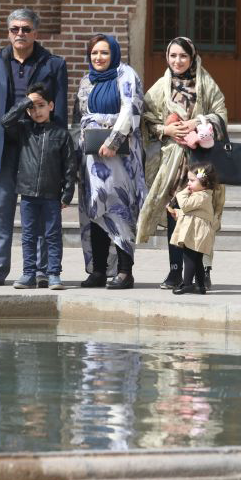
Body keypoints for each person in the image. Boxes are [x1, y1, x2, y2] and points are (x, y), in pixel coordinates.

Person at [0, 8, 69, 286]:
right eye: (14, 29)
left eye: (26, 29)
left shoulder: (53, 64)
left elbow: (60, 111)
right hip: (2, 146)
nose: (20, 33)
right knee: (0, 209)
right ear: (8, 32)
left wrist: (59, 151)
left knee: (39, 212)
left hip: (39, 148)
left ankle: (40, 271)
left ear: (35, 33)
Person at [136, 36, 227, 292]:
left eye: (183, 56)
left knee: (202, 215)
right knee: (176, 212)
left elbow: (221, 115)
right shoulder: (161, 86)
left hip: (201, 162)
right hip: (172, 163)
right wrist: (165, 129)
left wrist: (197, 122)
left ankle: (202, 272)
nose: (177, 61)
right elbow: (146, 119)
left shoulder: (206, 84)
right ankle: (176, 270)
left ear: (192, 57)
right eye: (173, 55)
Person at [73, 34, 146, 290]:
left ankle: (125, 271)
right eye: (94, 53)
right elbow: (78, 117)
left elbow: (131, 109)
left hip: (119, 157)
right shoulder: (87, 80)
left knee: (119, 208)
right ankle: (99, 270)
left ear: (114, 53)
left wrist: (113, 141)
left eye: (104, 52)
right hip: (92, 159)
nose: (99, 57)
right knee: (95, 210)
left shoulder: (125, 75)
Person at [1, 83, 77, 291]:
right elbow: (5, 121)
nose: (37, 111)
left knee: (52, 235)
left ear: (51, 106)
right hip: (27, 193)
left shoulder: (61, 134)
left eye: (41, 105)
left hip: (52, 194)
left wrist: (67, 193)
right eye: (32, 108)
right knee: (28, 236)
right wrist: (26, 101)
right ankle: (29, 273)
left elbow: (70, 166)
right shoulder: (24, 130)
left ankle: (53, 274)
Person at [167, 163, 218, 295]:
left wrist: (183, 192)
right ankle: (200, 285)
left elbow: (185, 205)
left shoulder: (202, 196)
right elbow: (192, 213)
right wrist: (177, 213)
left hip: (196, 234)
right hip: (197, 233)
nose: (188, 183)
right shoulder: (201, 195)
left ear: (204, 182)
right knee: (197, 260)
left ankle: (187, 284)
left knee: (189, 257)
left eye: (191, 180)